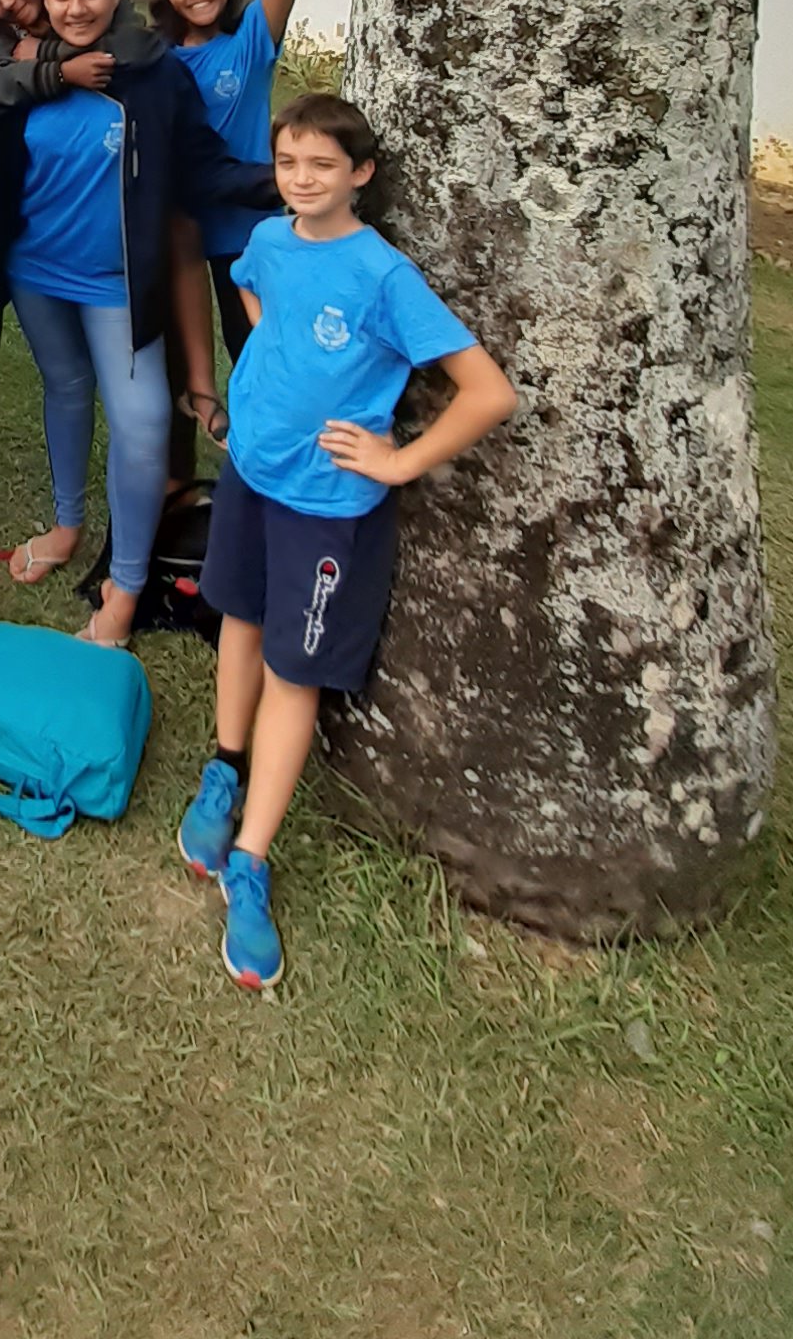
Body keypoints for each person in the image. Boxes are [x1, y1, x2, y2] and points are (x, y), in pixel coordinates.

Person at [175, 92, 516, 991]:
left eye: (322, 165)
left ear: (360, 173)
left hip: (326, 503)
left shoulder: (383, 276)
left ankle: (251, 857)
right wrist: (270, 369)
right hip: (250, 471)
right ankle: (225, 767)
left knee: (295, 669)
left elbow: (489, 393)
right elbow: (252, 287)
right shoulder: (270, 239)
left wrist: (399, 462)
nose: (302, 179)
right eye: (289, 163)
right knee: (238, 616)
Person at [0, 0, 278, 646]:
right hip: (35, 272)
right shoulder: (25, 74)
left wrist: (287, 182)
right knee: (65, 387)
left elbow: (203, 166)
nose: (76, 9)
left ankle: (126, 586)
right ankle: (67, 525)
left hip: (118, 283)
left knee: (144, 421)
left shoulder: (152, 73)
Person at [152, 0, 365, 403]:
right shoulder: (157, 61)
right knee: (182, 364)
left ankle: (277, 442)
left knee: (260, 349)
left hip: (251, 226)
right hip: (182, 226)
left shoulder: (250, 41)